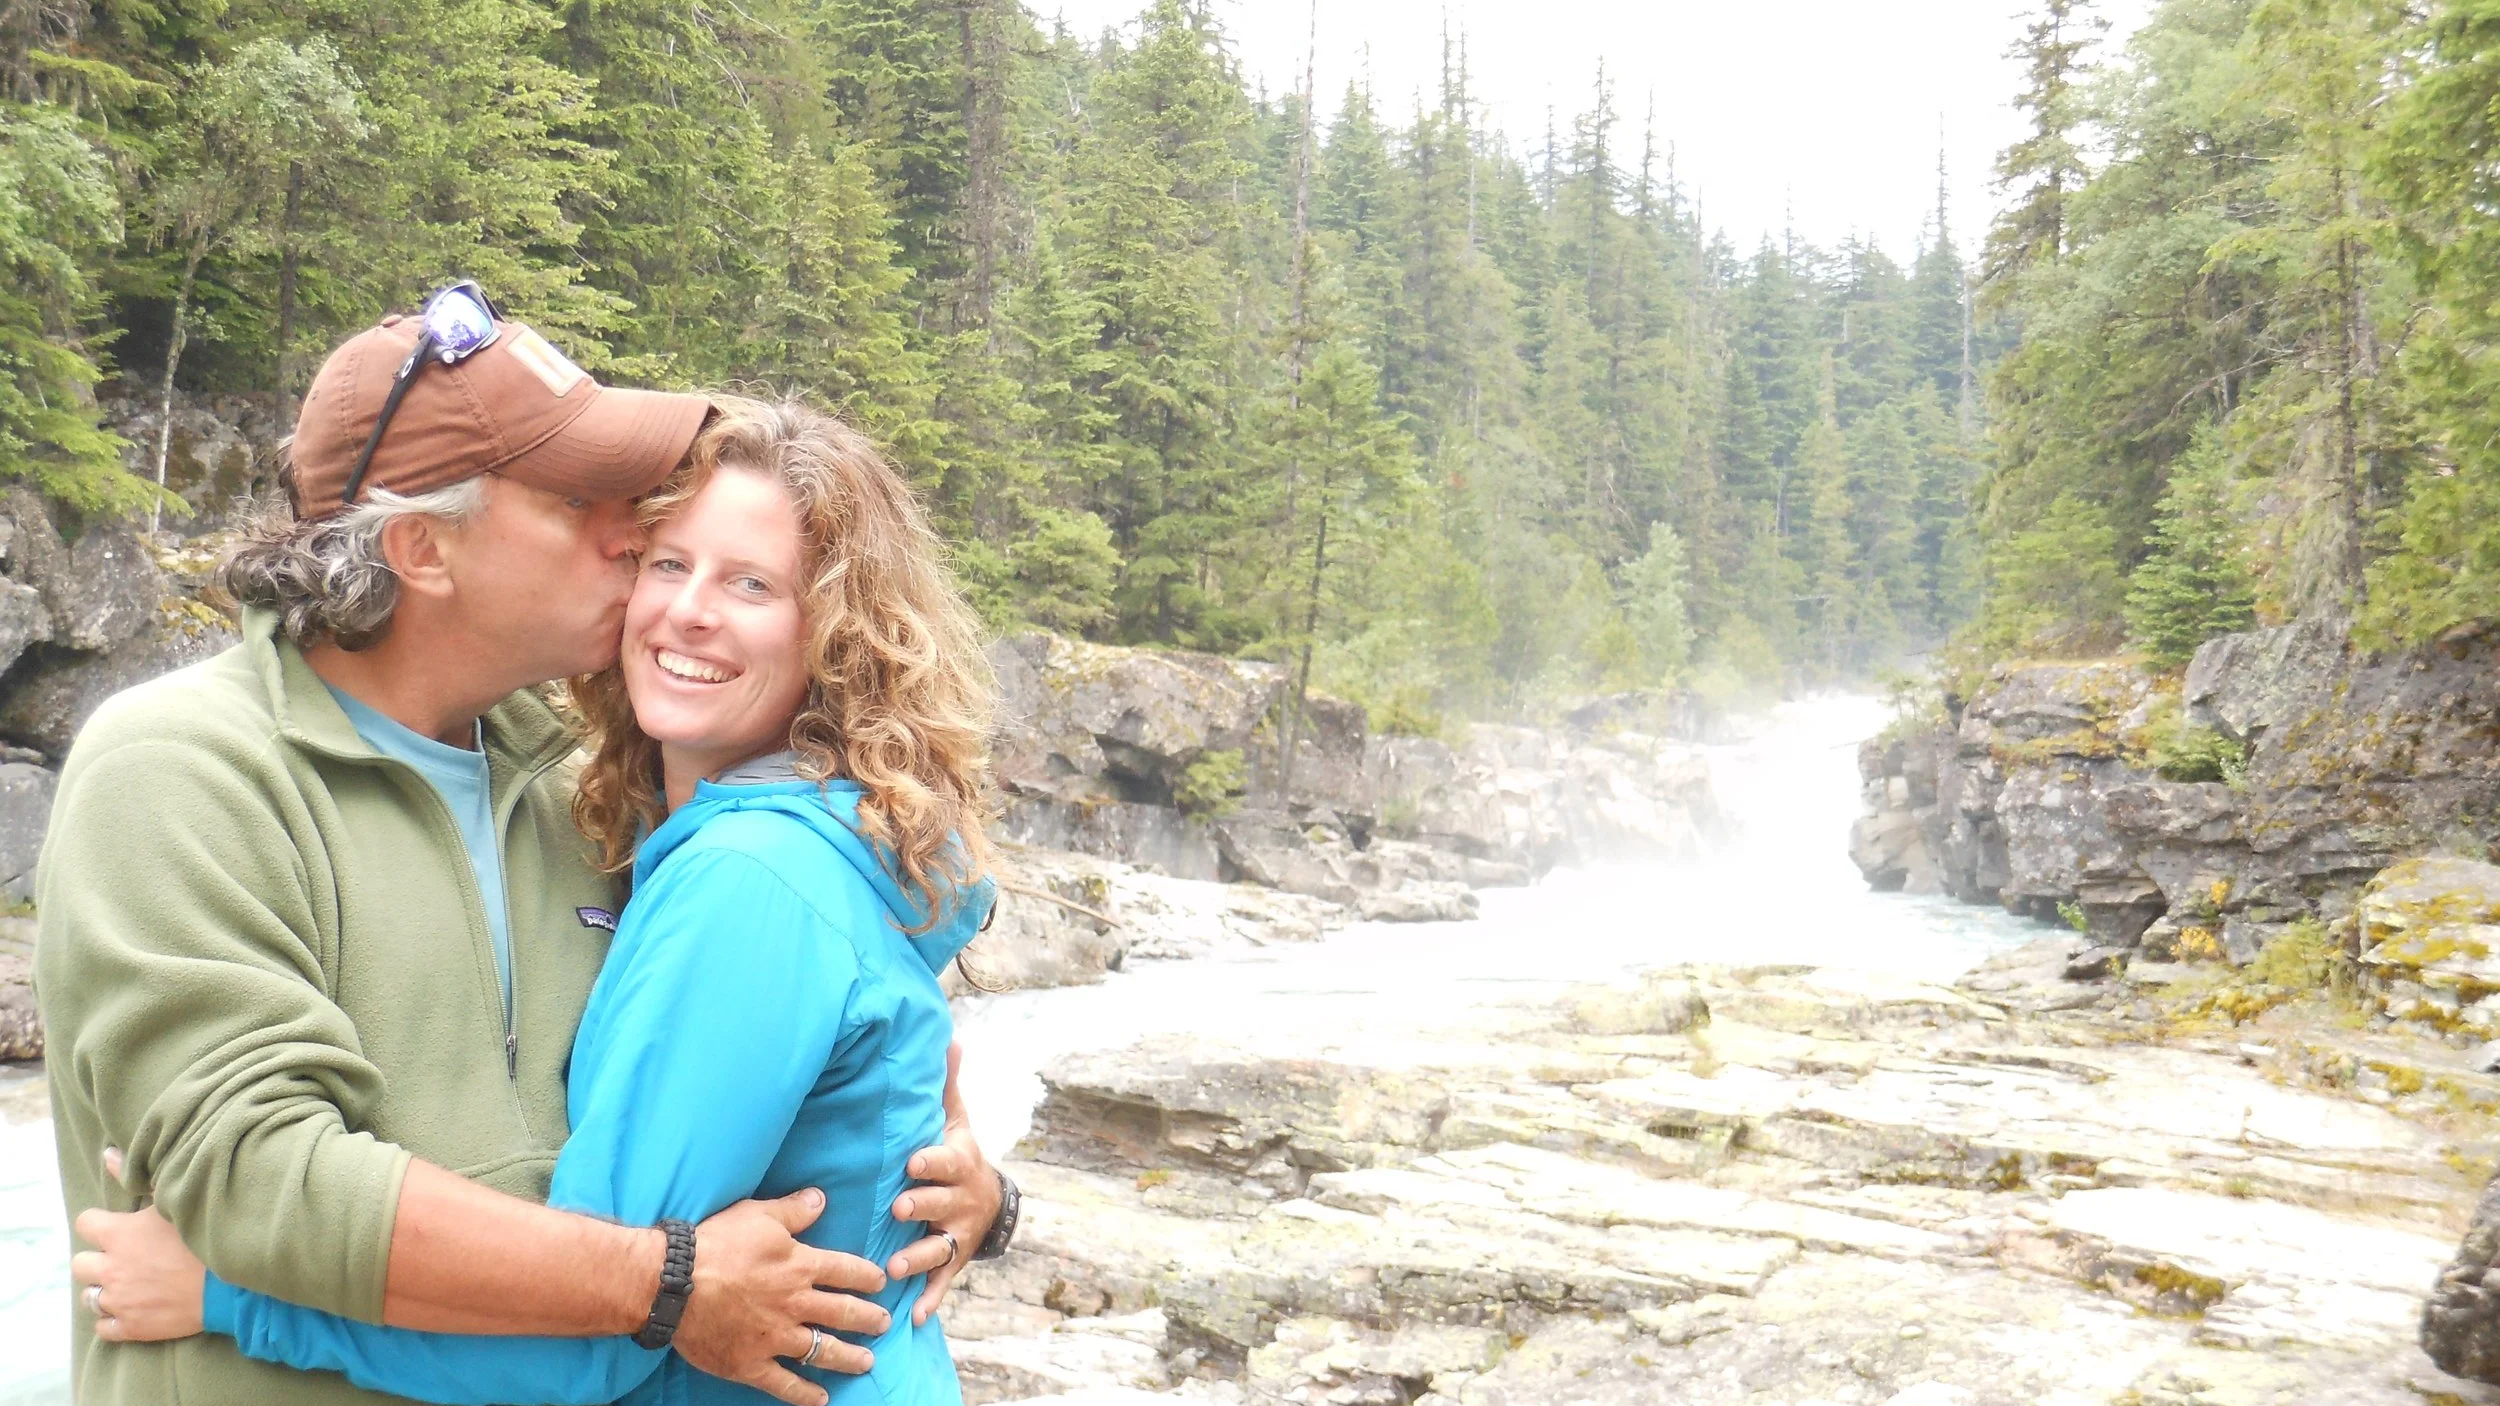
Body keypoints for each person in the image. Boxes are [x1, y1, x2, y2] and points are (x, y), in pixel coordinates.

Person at [38, 290, 1003, 1406]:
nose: (628, 531)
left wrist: (948, 1187)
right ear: (421, 548)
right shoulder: (180, 768)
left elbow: (794, 1061)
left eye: (740, 576)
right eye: (574, 500)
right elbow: (259, 1182)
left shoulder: (579, 790)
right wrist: (670, 1282)